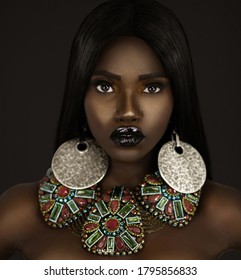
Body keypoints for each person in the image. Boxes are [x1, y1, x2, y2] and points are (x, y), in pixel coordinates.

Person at [0, 0, 240, 260]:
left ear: (177, 98)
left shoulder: (225, 212)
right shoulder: (20, 212)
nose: (127, 111)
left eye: (151, 87)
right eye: (105, 86)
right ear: (80, 95)